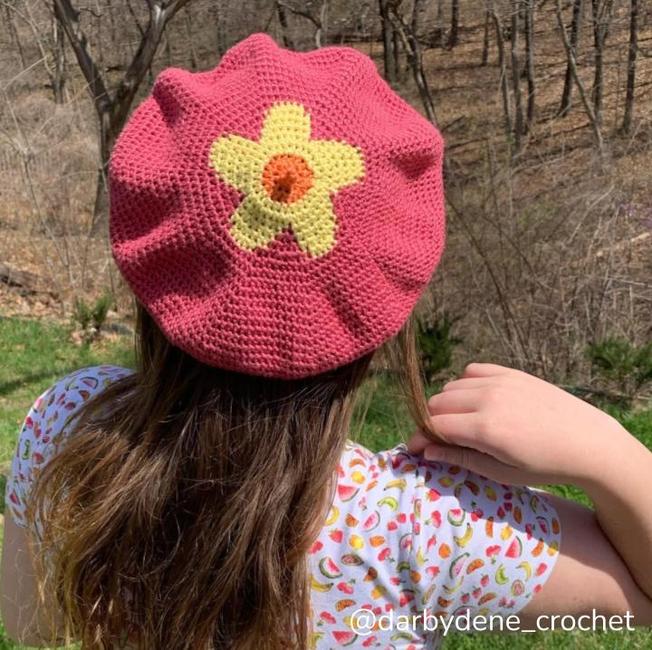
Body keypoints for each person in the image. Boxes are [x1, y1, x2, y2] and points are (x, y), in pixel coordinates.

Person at [1, 32, 651, 650]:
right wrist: (607, 450)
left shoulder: (70, 424)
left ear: (154, 271)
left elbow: (26, 623)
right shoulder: (422, 523)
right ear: (377, 315)